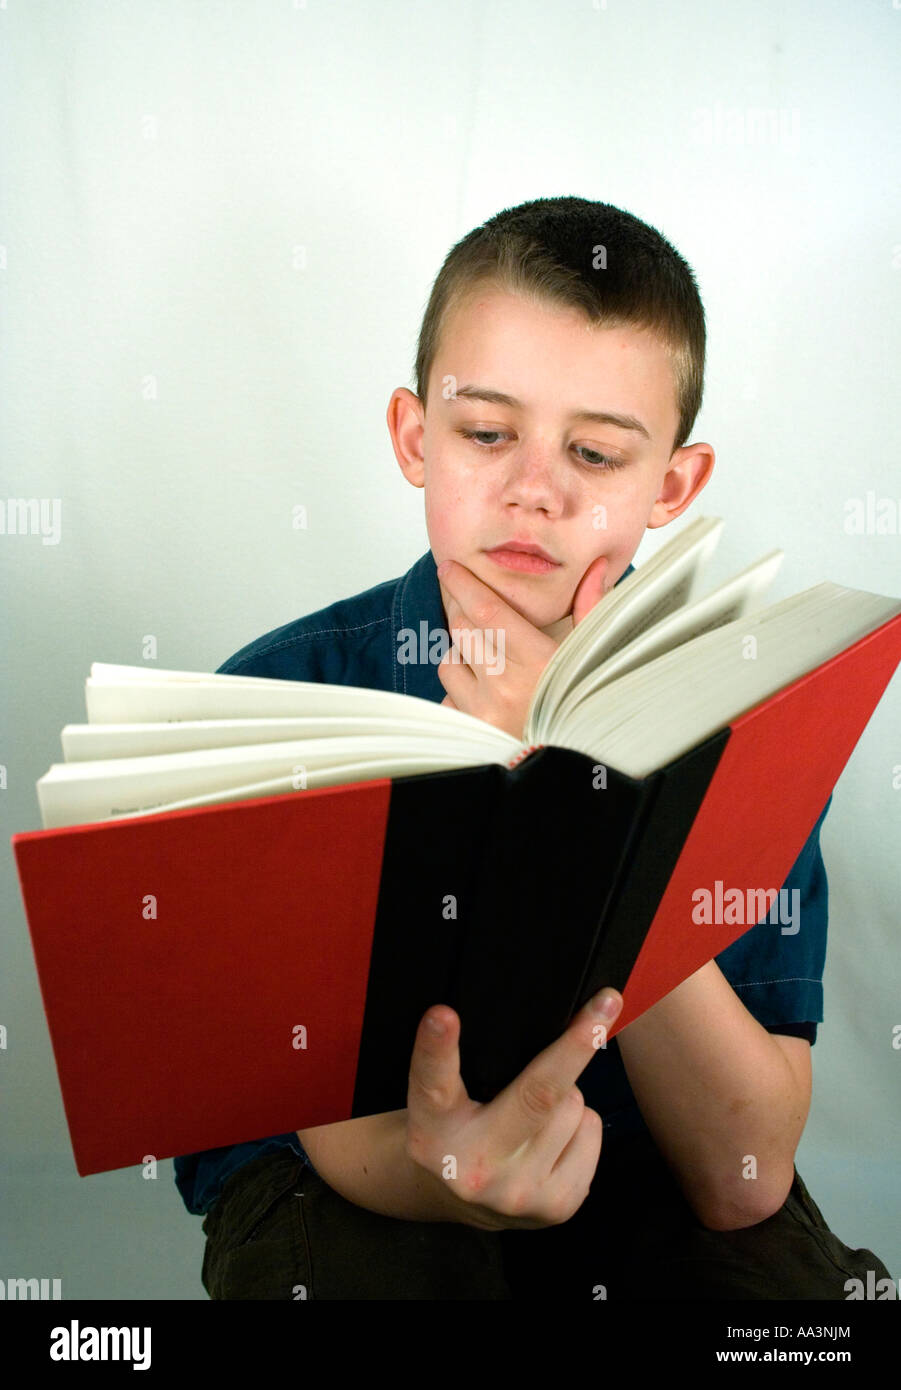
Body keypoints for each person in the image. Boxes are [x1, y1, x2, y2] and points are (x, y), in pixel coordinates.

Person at [177, 196, 893, 1300]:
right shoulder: (286, 693)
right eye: (484, 433)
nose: (533, 489)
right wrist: (453, 1180)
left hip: (651, 1155)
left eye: (596, 452)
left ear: (671, 486)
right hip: (354, 1178)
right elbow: (323, 1128)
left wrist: (589, 775)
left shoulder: (741, 717)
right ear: (417, 439)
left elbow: (740, 1173)